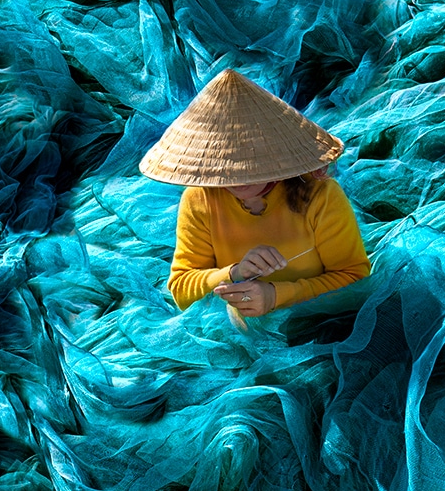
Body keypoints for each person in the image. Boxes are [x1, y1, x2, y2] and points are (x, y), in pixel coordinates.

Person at [140, 69, 370, 318]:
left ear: (277, 156)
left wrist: (275, 296)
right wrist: (234, 273)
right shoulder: (199, 199)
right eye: (224, 164)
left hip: (320, 323)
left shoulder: (320, 195)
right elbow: (182, 289)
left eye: (249, 164)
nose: (237, 178)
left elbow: (355, 279)